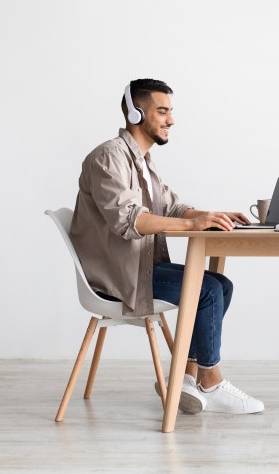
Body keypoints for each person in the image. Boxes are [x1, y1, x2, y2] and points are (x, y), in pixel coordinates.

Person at [70, 78, 264, 415]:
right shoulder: (107, 158)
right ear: (135, 112)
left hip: (139, 265)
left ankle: (186, 376)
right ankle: (211, 381)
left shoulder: (143, 161)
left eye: (170, 112)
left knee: (221, 284)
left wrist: (209, 215)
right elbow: (128, 220)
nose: (171, 120)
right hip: (119, 274)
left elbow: (171, 206)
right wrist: (191, 225)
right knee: (206, 290)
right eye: (163, 111)